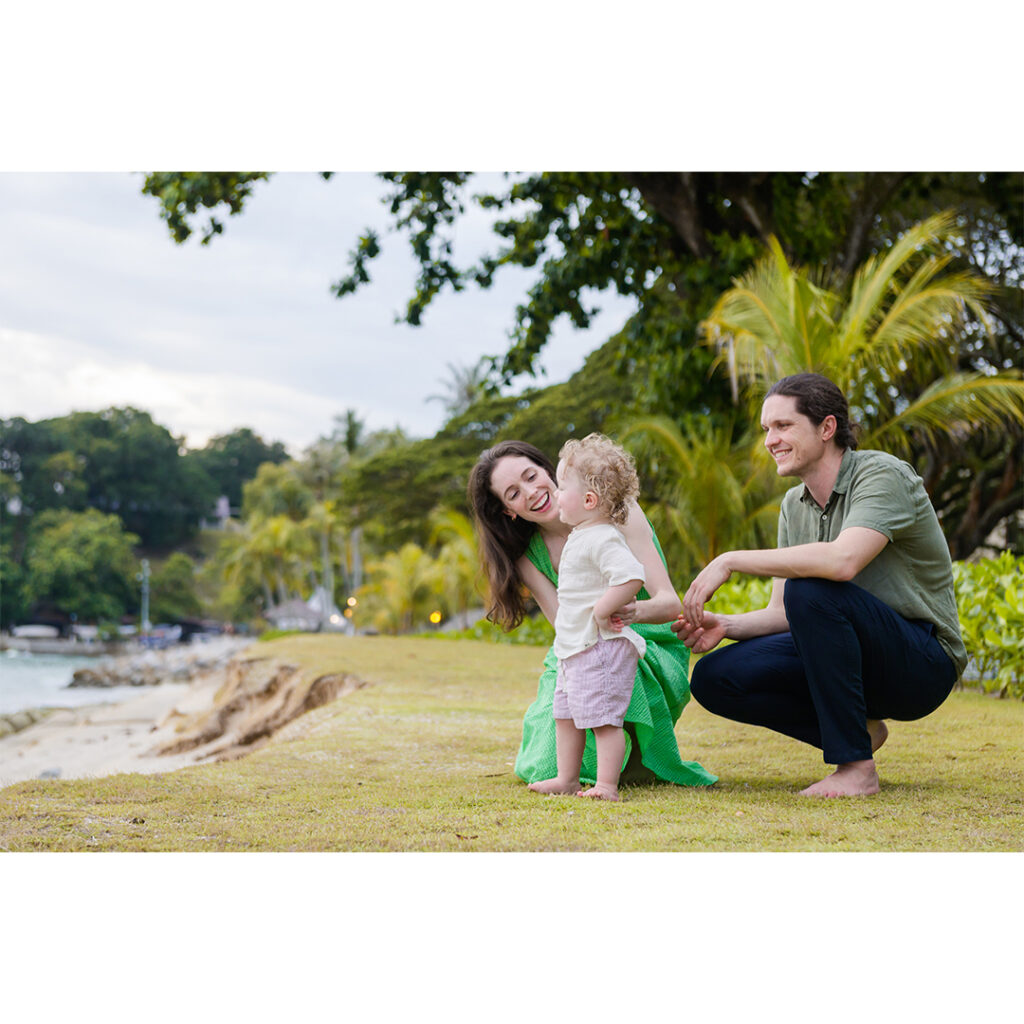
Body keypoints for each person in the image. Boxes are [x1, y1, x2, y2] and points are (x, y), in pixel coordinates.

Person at [673, 372, 966, 798]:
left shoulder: (882, 474)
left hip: (921, 662)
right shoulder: (794, 505)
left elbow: (842, 562)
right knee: (717, 677)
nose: (770, 439)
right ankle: (858, 732)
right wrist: (727, 626)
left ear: (827, 428)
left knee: (811, 587)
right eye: (766, 429)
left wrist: (730, 560)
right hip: (851, 658)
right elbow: (782, 614)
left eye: (783, 426)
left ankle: (856, 768)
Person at [468, 439, 717, 792]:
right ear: (508, 511)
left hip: (645, 641)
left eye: (531, 475)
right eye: (513, 493)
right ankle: (580, 774)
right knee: (542, 763)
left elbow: (668, 603)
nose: (531, 492)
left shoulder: (617, 511)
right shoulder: (528, 557)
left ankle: (617, 771)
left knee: (611, 685)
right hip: (579, 647)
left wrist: (623, 612)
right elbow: (564, 627)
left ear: (547, 471)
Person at [531, 435, 649, 800]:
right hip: (574, 647)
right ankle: (567, 778)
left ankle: (606, 785)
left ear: (588, 500)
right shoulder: (582, 535)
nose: (555, 491)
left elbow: (632, 576)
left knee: (602, 719)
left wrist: (603, 608)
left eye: (562, 485)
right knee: (565, 715)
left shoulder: (602, 538)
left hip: (599, 648)